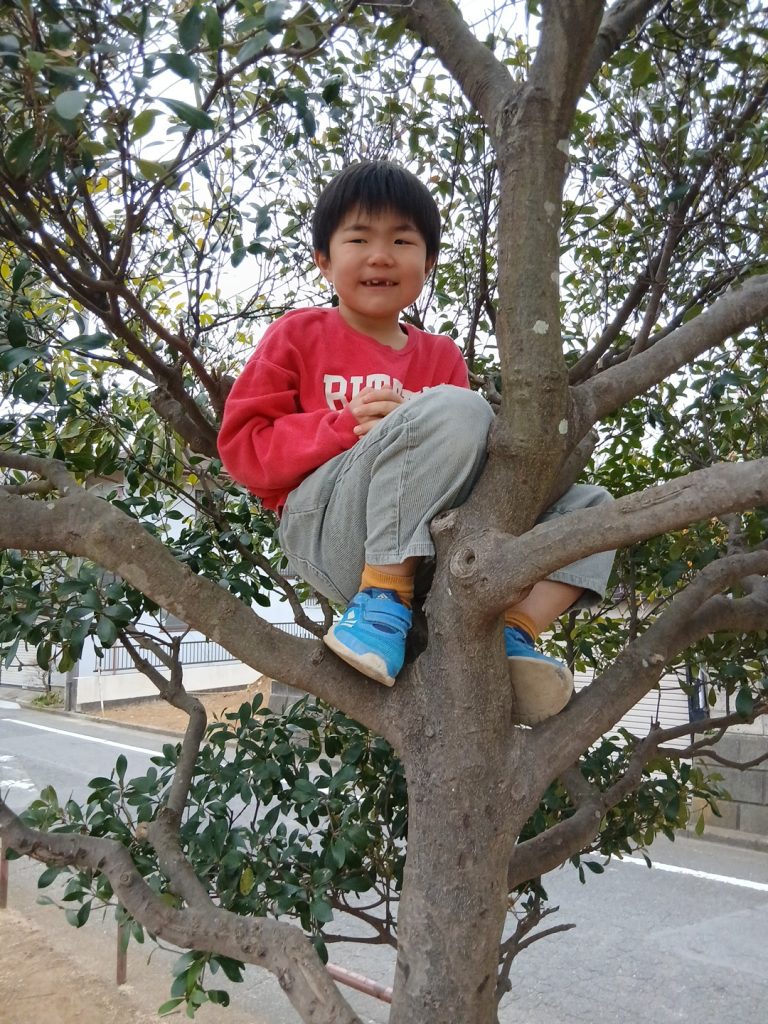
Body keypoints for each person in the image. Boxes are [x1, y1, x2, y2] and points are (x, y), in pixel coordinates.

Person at [218, 161, 614, 725]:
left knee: (592, 507)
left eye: (402, 241)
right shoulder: (299, 335)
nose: (381, 256)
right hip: (329, 529)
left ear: (427, 263)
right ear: (324, 260)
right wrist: (342, 425)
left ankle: (512, 631)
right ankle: (380, 595)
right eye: (359, 239)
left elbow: (471, 469)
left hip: (427, 546)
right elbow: (244, 448)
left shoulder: (440, 355)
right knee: (459, 408)